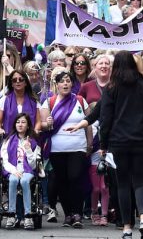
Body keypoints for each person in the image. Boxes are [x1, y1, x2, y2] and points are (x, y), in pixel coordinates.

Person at [97, 50, 143, 239]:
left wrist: (103, 144)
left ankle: (126, 228)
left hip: (118, 141)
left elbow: (105, 118)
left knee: (123, 184)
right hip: (140, 139)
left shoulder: (111, 87)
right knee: (140, 182)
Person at [40, 70, 90, 228]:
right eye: (62, 81)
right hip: (57, 148)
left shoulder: (80, 101)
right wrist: (47, 123)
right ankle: (68, 214)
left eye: (69, 81)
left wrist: (89, 144)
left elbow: (89, 123)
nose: (66, 84)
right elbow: (41, 125)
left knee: (75, 178)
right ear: (57, 84)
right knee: (62, 181)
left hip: (78, 147)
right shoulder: (49, 102)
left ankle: (77, 213)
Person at [0, 113, 41, 229]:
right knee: (13, 180)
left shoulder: (33, 141)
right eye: (18, 122)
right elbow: (4, 159)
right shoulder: (8, 140)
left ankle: (28, 216)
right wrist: (13, 170)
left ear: (28, 125)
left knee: (24, 181)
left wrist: (28, 150)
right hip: (13, 170)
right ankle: (11, 215)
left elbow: (34, 165)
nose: (20, 124)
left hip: (27, 171)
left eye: (23, 122)